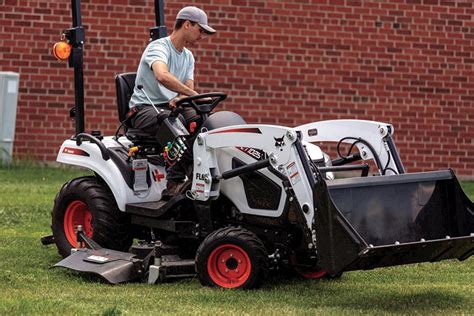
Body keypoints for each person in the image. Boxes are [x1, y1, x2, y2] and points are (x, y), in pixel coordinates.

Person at [128, 6, 216, 196]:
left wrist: (182, 97)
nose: (202, 36)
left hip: (171, 106)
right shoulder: (158, 47)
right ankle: (173, 183)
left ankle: (200, 173)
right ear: (186, 25)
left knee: (204, 121)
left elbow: (187, 88)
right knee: (175, 124)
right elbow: (162, 75)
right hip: (144, 109)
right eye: (200, 30)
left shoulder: (188, 56)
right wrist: (189, 93)